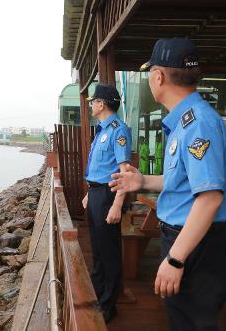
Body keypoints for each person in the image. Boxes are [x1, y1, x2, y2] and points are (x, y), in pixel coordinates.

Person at [109, 38, 226, 331]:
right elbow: (187, 183)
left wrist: (176, 260)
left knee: (192, 323)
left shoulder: (198, 123)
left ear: (158, 76)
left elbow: (210, 198)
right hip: (188, 239)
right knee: (182, 319)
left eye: (150, 73)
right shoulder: (185, 122)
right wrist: (143, 181)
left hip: (197, 245)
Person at [82, 83, 132, 323]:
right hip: (95, 194)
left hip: (108, 196)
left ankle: (109, 305)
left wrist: (117, 205)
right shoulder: (102, 130)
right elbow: (99, 168)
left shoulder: (118, 130)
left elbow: (124, 172)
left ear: (101, 104)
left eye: (94, 101)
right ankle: (98, 294)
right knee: (98, 250)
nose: (92, 105)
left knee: (110, 252)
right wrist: (89, 192)